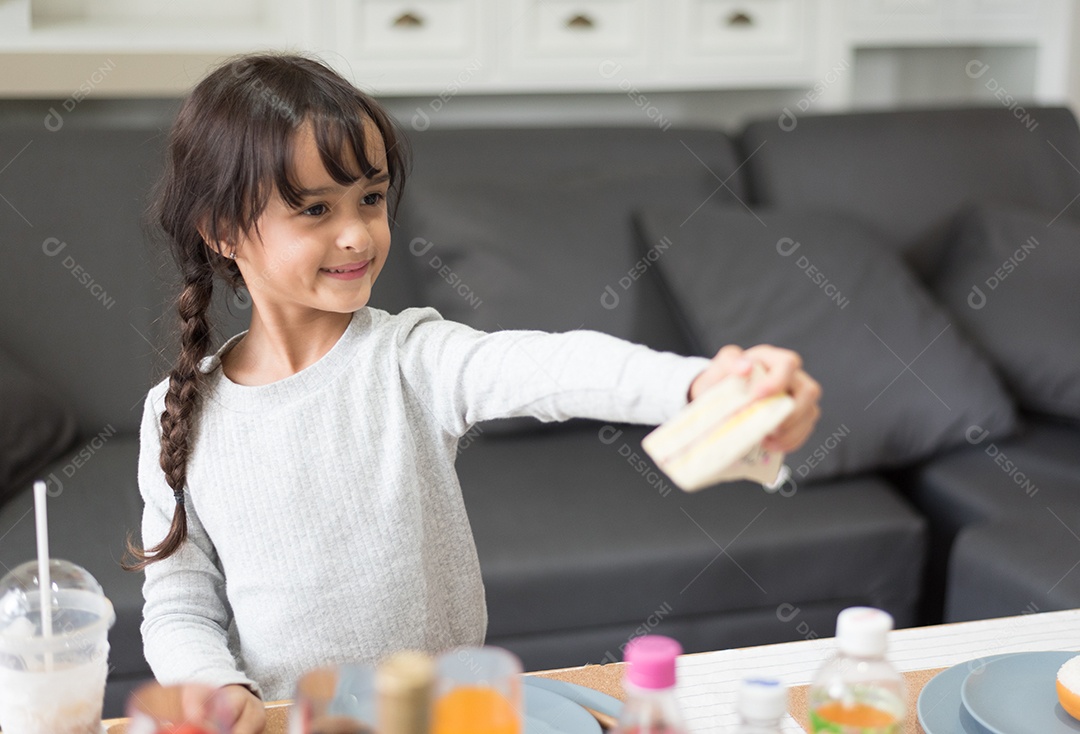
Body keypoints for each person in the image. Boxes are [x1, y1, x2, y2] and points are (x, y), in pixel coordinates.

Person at [127, 52, 821, 733]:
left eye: (369, 198)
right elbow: (180, 600)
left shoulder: (410, 356)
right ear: (221, 231)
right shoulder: (177, 414)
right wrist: (215, 687)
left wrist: (697, 383)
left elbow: (551, 367)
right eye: (313, 209)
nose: (356, 233)